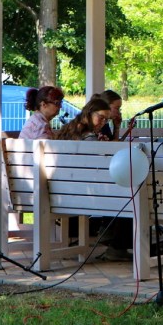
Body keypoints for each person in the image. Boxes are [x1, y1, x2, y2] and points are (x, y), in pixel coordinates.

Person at [55, 98, 130, 260]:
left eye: (106, 120)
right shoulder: (89, 137)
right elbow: (103, 166)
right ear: (89, 113)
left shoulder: (68, 130)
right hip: (81, 196)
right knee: (127, 191)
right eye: (101, 117)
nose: (103, 123)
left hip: (61, 192)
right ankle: (116, 245)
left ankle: (108, 232)